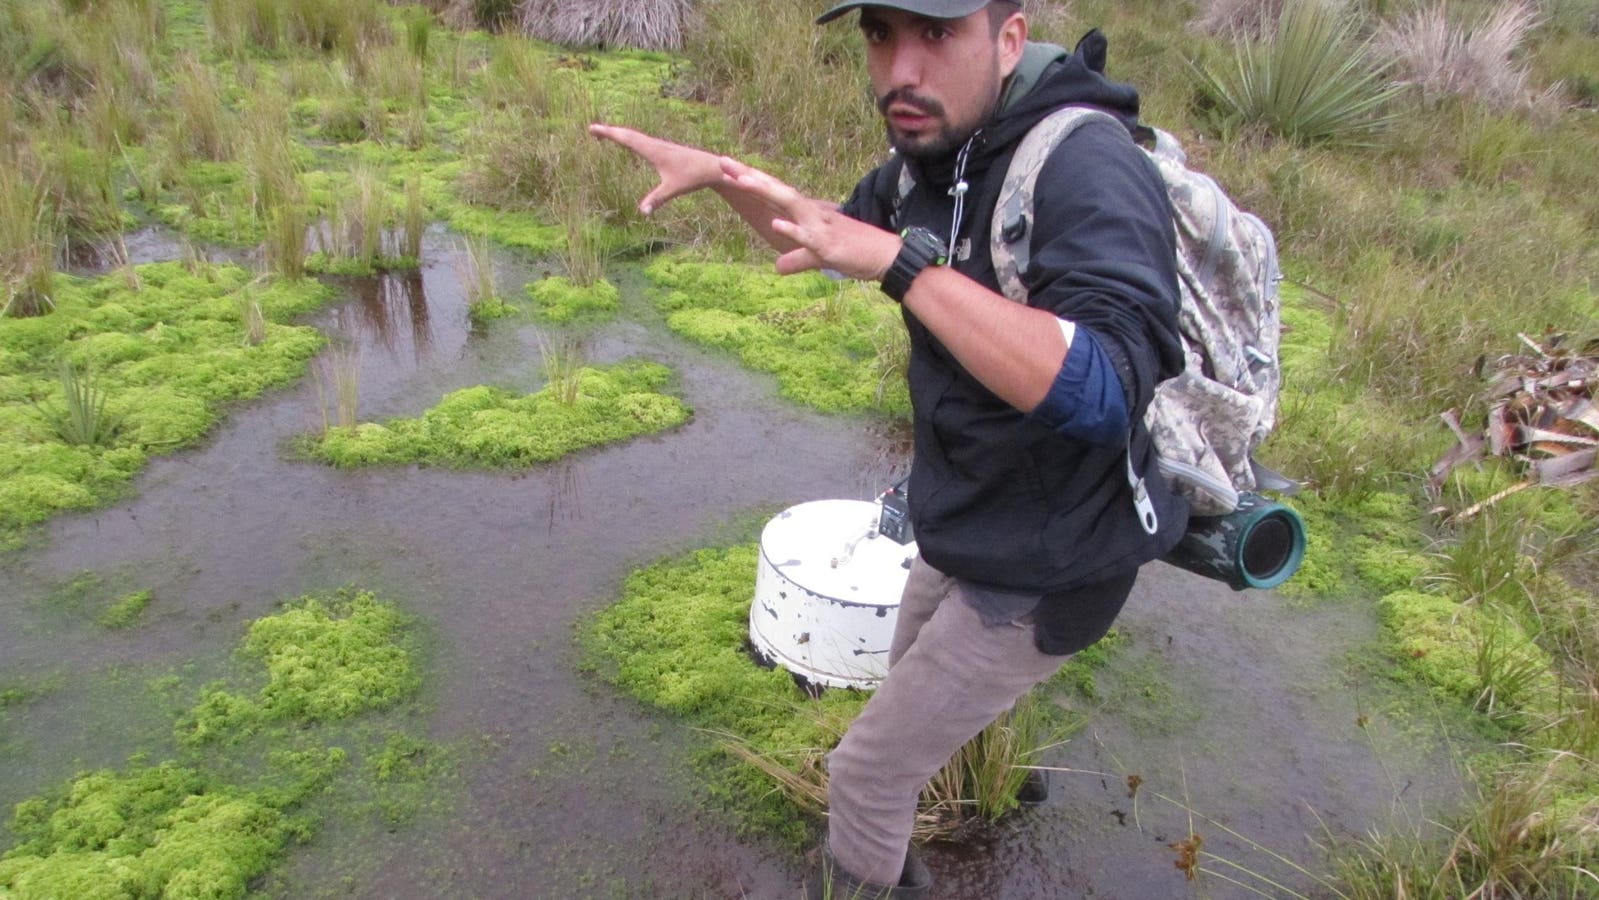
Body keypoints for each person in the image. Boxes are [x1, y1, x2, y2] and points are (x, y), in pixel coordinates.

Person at [592, 0, 1189, 895]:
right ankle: (989, 799)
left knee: (865, 773)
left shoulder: (1084, 165)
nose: (901, 69)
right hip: (965, 526)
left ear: (1009, 39)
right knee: (909, 697)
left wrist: (905, 268)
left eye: (937, 34)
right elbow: (825, 241)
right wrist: (722, 177)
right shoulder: (936, 162)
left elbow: (1105, 387)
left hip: (1055, 560)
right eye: (880, 34)